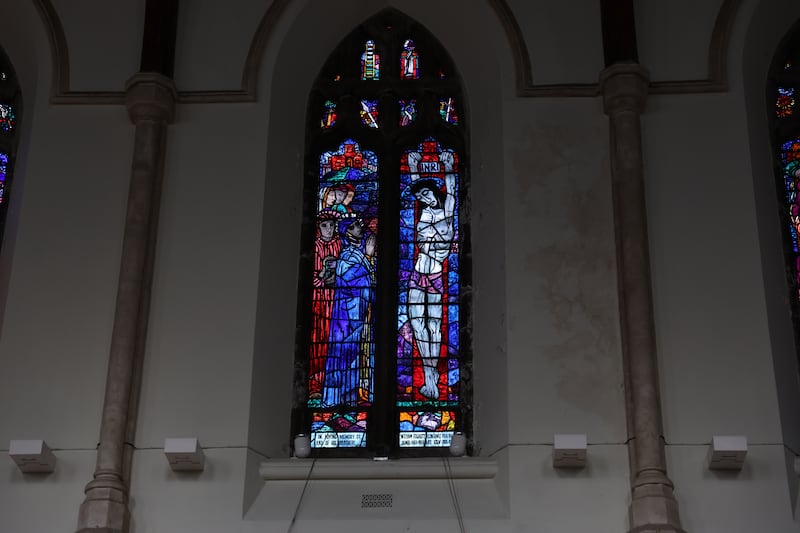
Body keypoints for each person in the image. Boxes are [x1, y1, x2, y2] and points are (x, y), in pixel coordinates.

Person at [408, 158, 456, 399]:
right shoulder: (426, 213)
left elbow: (452, 189)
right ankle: (430, 375)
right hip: (418, 273)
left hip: (435, 274)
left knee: (434, 327)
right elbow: (424, 243)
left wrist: (447, 166)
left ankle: (432, 376)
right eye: (421, 197)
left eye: (427, 194)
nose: (424, 199)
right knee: (417, 325)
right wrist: (413, 168)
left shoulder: (448, 208)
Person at [322, 218, 376, 407]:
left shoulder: (357, 254)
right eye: (354, 226)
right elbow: (353, 279)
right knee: (346, 353)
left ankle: (353, 396)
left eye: (359, 225)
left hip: (360, 312)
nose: (360, 228)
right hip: (347, 316)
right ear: (347, 233)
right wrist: (368, 257)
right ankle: (341, 399)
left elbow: (370, 282)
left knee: (357, 354)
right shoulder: (346, 255)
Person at [308, 211, 342, 397]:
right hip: (319, 300)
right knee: (318, 340)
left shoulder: (340, 244)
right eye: (324, 225)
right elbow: (310, 278)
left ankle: (333, 383)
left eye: (331, 225)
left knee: (336, 340)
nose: (328, 229)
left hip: (338, 299)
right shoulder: (314, 247)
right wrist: (321, 275)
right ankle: (315, 384)